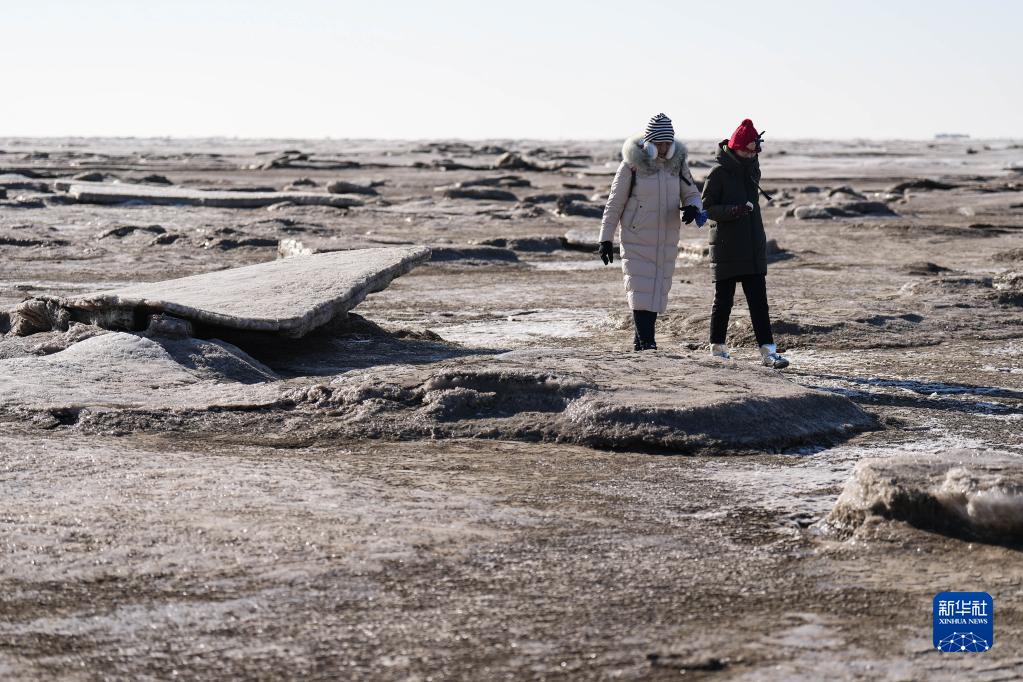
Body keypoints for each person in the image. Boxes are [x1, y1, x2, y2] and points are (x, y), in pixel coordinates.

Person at [598, 113, 703, 351]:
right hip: (636, 237)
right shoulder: (631, 166)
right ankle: (648, 343)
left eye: (668, 143)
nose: (664, 148)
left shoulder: (677, 166)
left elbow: (692, 194)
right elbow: (614, 204)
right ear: (649, 143)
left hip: (666, 237)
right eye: (660, 143)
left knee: (656, 291)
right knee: (640, 290)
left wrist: (692, 208)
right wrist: (605, 238)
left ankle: (641, 343)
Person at [701, 118, 789, 369]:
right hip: (727, 247)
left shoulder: (752, 170)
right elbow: (706, 209)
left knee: (759, 303)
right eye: (746, 151)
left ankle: (769, 353)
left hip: (752, 246)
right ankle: (717, 350)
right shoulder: (718, 173)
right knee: (723, 301)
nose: (751, 155)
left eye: (754, 151)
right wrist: (734, 210)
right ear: (735, 147)